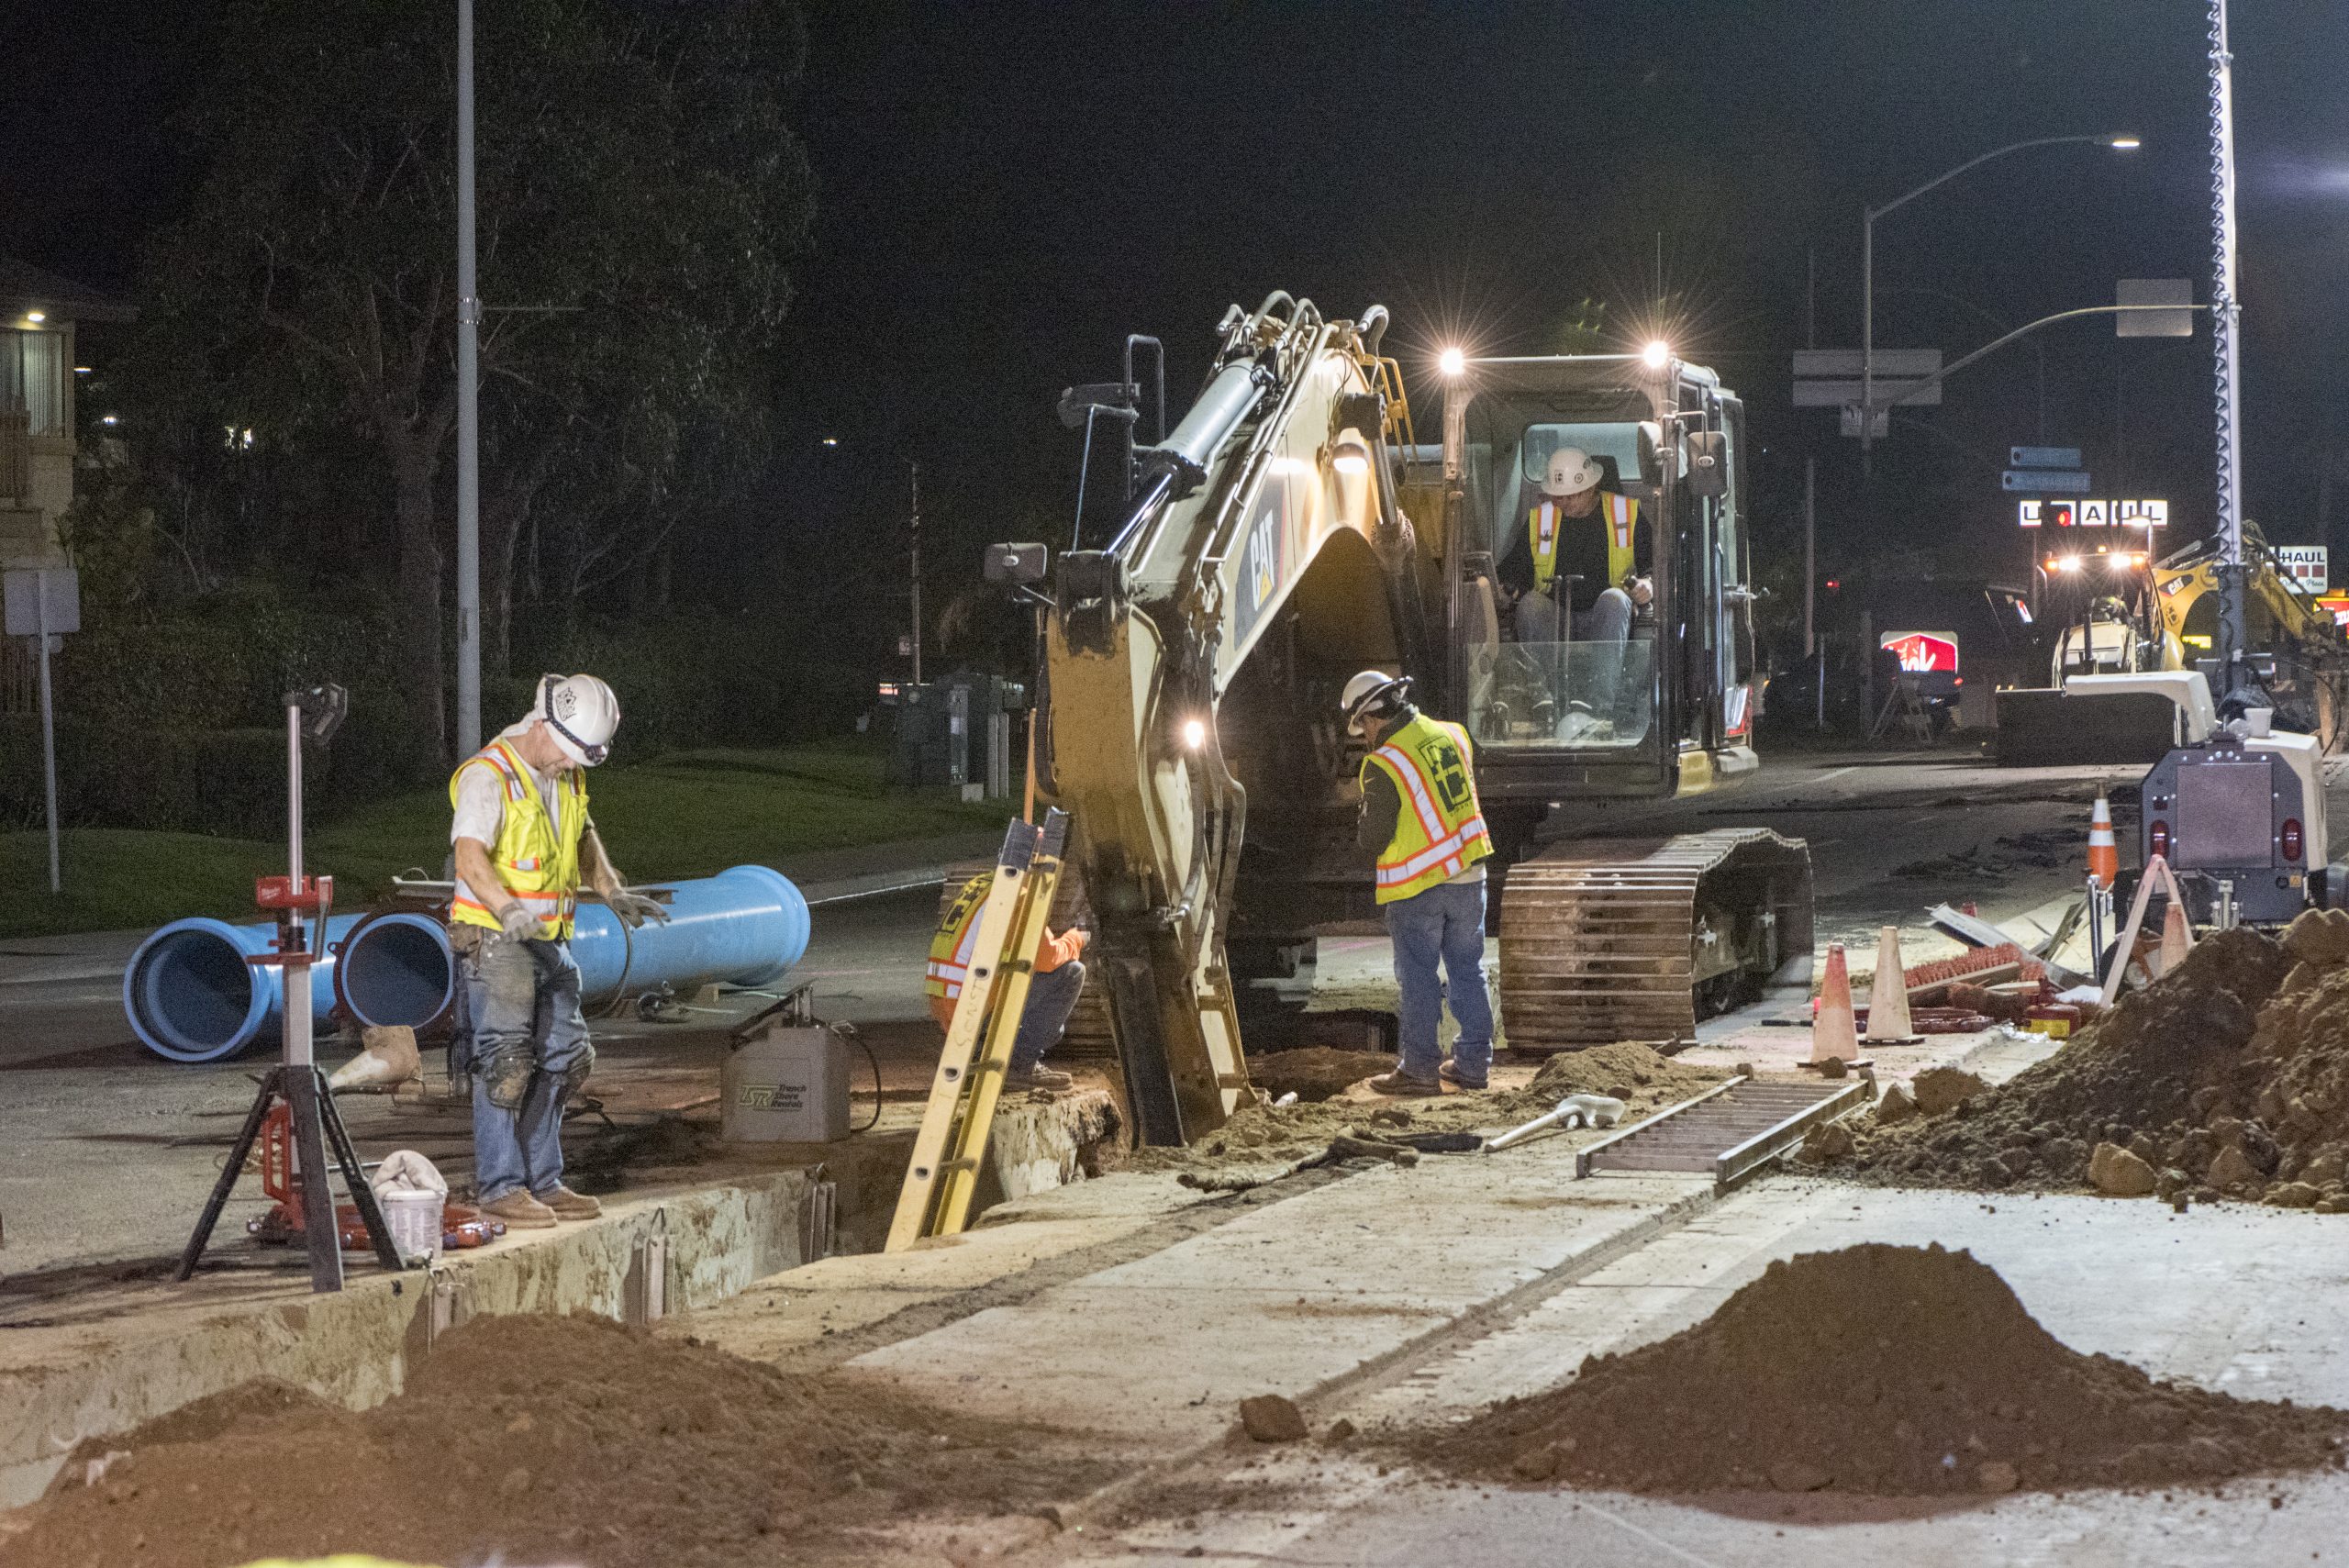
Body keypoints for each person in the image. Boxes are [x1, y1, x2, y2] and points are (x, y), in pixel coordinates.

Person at [449, 673, 668, 1229]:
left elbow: (582, 836)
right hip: (496, 939)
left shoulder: (561, 773)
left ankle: (541, 1179)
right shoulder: (488, 776)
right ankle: (501, 1186)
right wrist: (506, 910)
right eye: (567, 754)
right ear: (543, 724)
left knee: (567, 1056)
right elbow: (469, 859)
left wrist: (612, 888)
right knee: (506, 1062)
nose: (570, 766)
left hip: (548, 939)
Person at [1342, 670, 1497, 1095]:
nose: (1365, 736)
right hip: (1470, 874)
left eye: (1363, 728)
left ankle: (1420, 1070)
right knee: (1469, 970)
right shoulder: (1454, 734)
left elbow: (1373, 838)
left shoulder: (1383, 763)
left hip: (1419, 885)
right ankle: (1474, 1066)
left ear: (1372, 718)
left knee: (1418, 977)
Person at [927, 855, 1089, 1093]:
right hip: (971, 1009)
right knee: (1072, 973)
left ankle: (978, 1054)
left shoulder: (981, 885)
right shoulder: (1019, 897)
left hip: (948, 1006)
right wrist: (1079, 937)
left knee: (1049, 1022)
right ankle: (1018, 1065)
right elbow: (1049, 958)